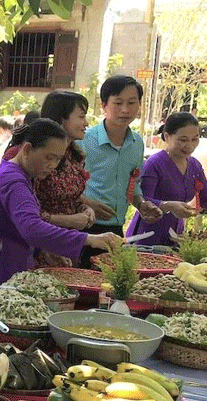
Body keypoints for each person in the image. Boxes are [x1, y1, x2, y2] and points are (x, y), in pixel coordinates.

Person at [0, 119, 121, 288]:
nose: (52, 166)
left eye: (58, 160)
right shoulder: (13, 181)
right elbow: (32, 228)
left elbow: (21, 227)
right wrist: (88, 239)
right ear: (27, 150)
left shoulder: (21, 175)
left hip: (5, 268)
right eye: (49, 157)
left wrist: (46, 250)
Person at [126, 112, 207, 246]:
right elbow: (143, 201)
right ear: (167, 136)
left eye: (195, 139)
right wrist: (168, 206)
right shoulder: (154, 164)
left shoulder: (194, 165)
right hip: (147, 235)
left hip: (176, 235)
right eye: (183, 140)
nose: (190, 145)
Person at [81, 75, 162, 263]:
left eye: (132, 103)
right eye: (118, 103)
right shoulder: (83, 140)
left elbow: (133, 184)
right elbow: (63, 185)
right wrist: (88, 203)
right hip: (84, 227)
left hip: (116, 229)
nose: (125, 110)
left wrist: (142, 204)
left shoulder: (137, 143)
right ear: (104, 105)